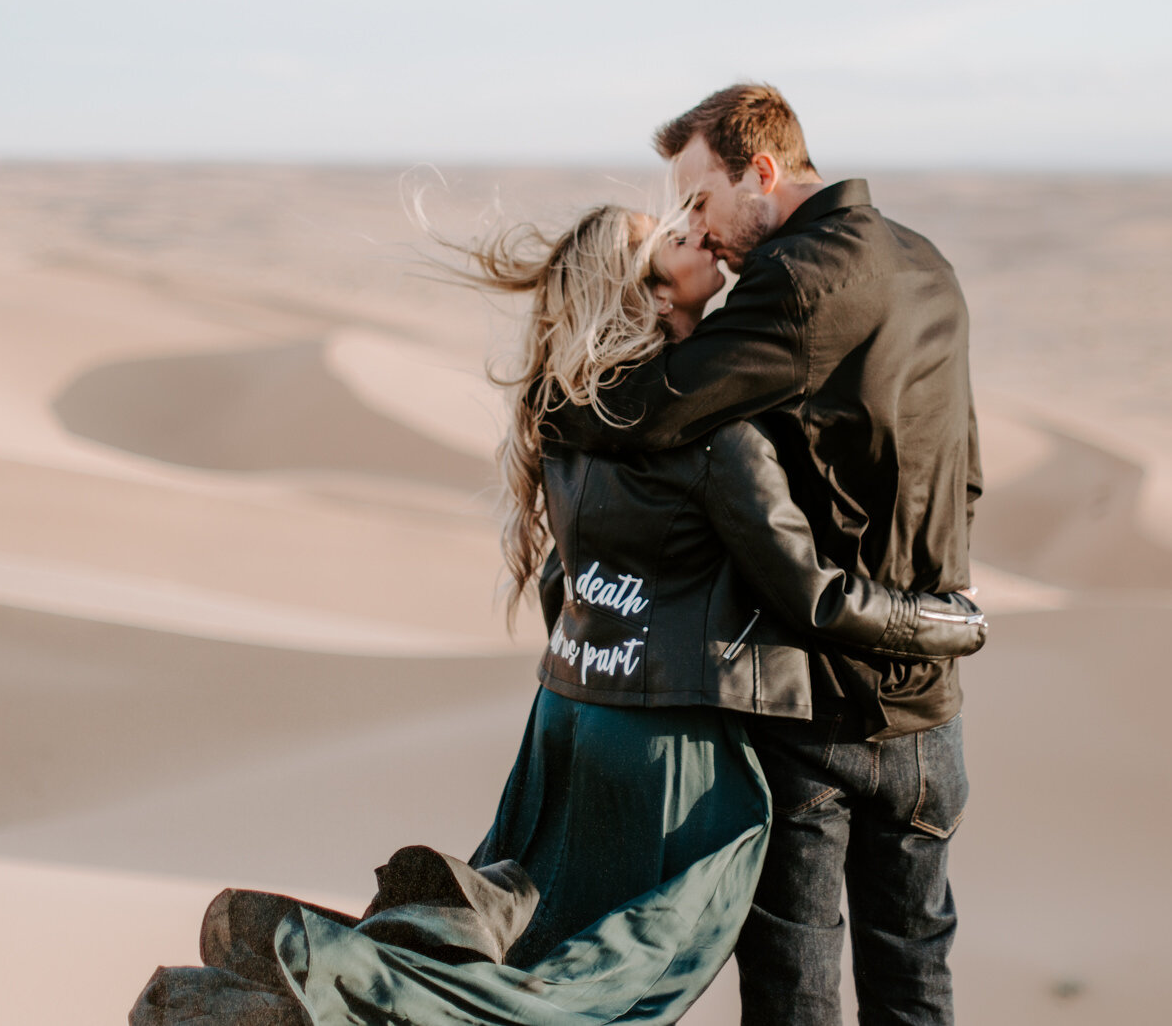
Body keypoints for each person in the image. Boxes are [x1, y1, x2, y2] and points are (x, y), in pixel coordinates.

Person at [128, 203, 987, 1026]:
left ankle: (296, 991)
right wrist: (953, 623)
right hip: (667, 755)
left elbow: (563, 584)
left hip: (569, 726)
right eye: (674, 242)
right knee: (587, 988)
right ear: (649, 293)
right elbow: (809, 592)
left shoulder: (575, 412)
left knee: (525, 951)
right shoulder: (714, 432)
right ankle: (315, 984)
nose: (702, 240)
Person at [545, 85, 981, 1026]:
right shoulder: (930, 265)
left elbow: (671, 403)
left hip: (818, 706)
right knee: (918, 983)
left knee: (794, 989)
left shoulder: (799, 274)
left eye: (701, 201)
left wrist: (560, 401)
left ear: (765, 173)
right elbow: (965, 472)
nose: (701, 226)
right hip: (930, 709)